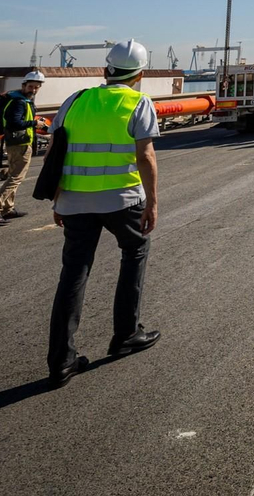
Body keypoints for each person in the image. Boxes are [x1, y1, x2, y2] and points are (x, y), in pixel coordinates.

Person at [46, 39, 161, 389]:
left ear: (106, 70)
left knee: (74, 272)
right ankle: (126, 334)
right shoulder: (138, 102)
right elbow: (146, 157)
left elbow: (54, 151)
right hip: (122, 200)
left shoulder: (75, 100)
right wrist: (153, 201)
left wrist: (57, 198)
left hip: (75, 201)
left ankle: (61, 361)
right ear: (140, 75)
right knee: (134, 252)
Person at [0, 70, 48, 225]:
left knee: (13, 175)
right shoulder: (19, 102)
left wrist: (41, 125)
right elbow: (14, 123)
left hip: (16, 143)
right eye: (31, 86)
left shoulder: (21, 99)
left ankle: (8, 209)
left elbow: (22, 121)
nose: (33, 90)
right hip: (20, 144)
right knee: (16, 178)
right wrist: (35, 123)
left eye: (36, 87)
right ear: (24, 85)